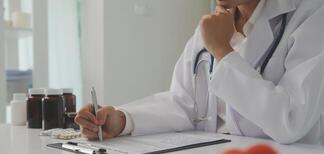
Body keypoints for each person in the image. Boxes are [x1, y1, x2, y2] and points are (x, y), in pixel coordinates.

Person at [75, 0, 324, 144]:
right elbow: (184, 103)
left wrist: (222, 50)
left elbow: (291, 120)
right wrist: (123, 120)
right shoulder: (217, 22)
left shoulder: (312, 14)